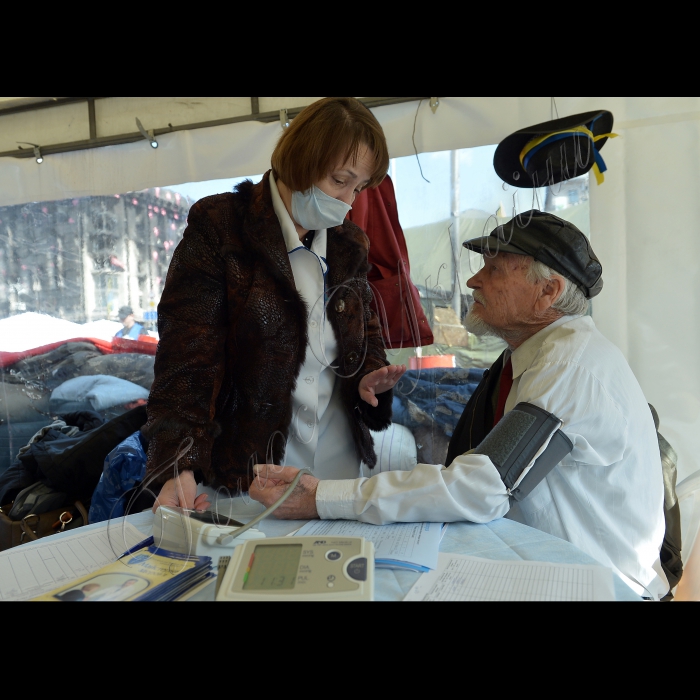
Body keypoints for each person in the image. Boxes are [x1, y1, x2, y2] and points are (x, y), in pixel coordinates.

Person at [249, 210, 669, 599]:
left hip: (601, 584)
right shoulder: (542, 353)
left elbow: (482, 487)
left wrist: (320, 497)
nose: (473, 282)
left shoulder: (570, 367)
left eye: (494, 270)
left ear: (548, 291)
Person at [143, 97, 407, 511]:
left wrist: (369, 375)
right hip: (246, 478)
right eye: (340, 180)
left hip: (336, 474)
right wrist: (178, 462)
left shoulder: (347, 244)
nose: (348, 202)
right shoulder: (222, 228)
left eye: (358, 188)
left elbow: (364, 332)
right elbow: (187, 360)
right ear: (301, 160)